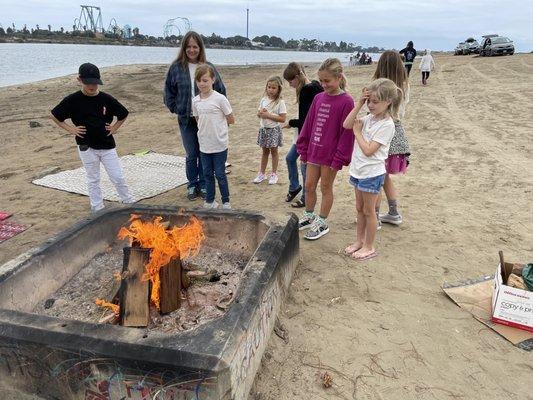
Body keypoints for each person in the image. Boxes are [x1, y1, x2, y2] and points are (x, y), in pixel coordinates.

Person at [51, 63, 134, 212]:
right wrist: (71, 129)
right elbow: (55, 115)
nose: (92, 86)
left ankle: (128, 202)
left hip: (107, 145)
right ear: (79, 79)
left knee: (117, 177)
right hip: (86, 146)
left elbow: (123, 113)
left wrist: (114, 127)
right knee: (93, 178)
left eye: (95, 83)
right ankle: (97, 207)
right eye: (88, 82)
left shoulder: (106, 99)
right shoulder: (73, 100)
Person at [343, 78, 402, 260]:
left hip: (372, 173)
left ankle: (369, 246)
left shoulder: (387, 124)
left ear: (388, 102)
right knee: (359, 208)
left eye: (375, 102)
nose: (371, 105)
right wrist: (359, 103)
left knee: (369, 211)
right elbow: (346, 124)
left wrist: (358, 133)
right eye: (369, 101)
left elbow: (369, 151)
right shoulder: (369, 118)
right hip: (358, 171)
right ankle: (359, 241)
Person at [164, 31, 227, 201]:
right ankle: (192, 184)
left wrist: (218, 115)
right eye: (188, 47)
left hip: (207, 120)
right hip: (186, 119)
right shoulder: (176, 68)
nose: (192, 50)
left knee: (204, 152)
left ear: (200, 48)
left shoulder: (209, 67)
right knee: (191, 154)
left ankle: (205, 184)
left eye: (195, 46)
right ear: (184, 48)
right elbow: (168, 93)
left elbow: (221, 91)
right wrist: (176, 108)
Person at [296, 58, 355, 240]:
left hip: (331, 156)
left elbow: (347, 133)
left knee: (326, 187)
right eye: (321, 81)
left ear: (338, 77)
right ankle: (309, 214)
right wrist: (303, 149)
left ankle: (322, 221)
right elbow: (309, 124)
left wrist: (340, 158)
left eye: (327, 81)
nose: (323, 84)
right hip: (314, 151)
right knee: (309, 185)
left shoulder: (347, 101)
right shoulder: (318, 98)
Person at [371, 50, 411, 226]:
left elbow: (373, 111)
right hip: (397, 133)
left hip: (381, 133)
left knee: (377, 177)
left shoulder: (378, 89)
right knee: (384, 176)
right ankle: (393, 212)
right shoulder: (403, 88)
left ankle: (375, 216)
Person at [192, 64, 235, 209]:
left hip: (219, 144)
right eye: (199, 81)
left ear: (213, 80)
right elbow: (198, 119)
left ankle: (226, 201)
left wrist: (219, 129)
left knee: (220, 174)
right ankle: (210, 200)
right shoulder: (195, 101)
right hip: (204, 145)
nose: (202, 84)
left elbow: (231, 119)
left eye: (205, 80)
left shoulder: (220, 99)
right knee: (207, 174)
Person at [282, 62, 323, 208]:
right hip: (306, 134)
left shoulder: (307, 90)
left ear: (298, 76)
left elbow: (306, 119)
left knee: (305, 167)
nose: (290, 84)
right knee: (290, 158)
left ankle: (306, 197)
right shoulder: (315, 85)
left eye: (290, 81)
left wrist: (292, 122)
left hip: (307, 136)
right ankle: (294, 187)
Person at [253, 76, 287, 185]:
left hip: (273, 130)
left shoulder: (280, 102)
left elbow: (283, 118)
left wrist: (268, 115)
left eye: (273, 88)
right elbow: (259, 114)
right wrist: (260, 113)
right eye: (269, 87)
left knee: (274, 152)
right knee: (264, 152)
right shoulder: (263, 100)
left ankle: (274, 174)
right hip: (264, 129)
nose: (271, 90)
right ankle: (262, 173)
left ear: (278, 89)